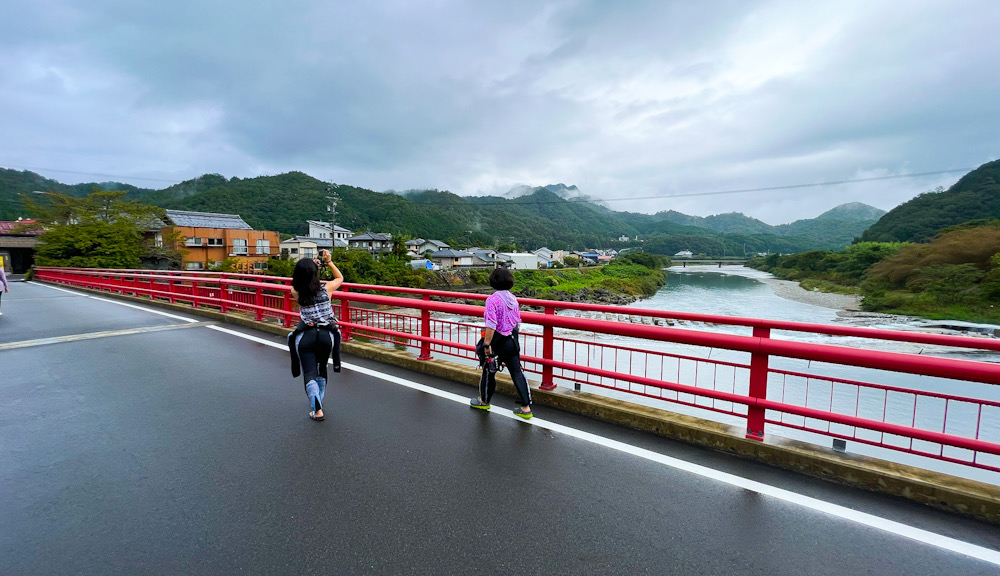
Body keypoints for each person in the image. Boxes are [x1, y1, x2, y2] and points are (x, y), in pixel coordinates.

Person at [287, 249, 344, 421]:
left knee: (309, 371)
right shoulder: (326, 289)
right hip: (327, 336)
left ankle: (317, 410)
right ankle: (319, 400)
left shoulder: (296, 292)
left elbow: (297, 283)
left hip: (306, 336)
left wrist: (311, 266)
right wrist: (328, 262)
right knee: (321, 368)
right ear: (315, 274)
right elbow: (340, 278)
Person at [470, 267, 533, 419]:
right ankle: (526, 408)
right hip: (511, 341)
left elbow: (491, 324)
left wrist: (486, 344)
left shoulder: (492, 300)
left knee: (488, 371)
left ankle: (484, 401)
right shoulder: (513, 299)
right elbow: (517, 323)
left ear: (493, 281)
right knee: (517, 372)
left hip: (497, 341)